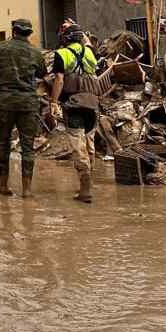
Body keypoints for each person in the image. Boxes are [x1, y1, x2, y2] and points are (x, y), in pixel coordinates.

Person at [0, 19, 46, 198]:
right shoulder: (36, 52)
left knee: (3, 142)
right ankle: (27, 190)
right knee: (28, 146)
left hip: (5, 103)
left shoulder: (1, 48)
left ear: (14, 31)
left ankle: (3, 184)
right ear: (29, 33)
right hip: (28, 104)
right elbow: (42, 73)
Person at [49, 24, 100, 203]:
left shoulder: (62, 54)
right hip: (93, 103)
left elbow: (59, 79)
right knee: (90, 141)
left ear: (65, 39)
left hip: (74, 104)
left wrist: (54, 102)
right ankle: (88, 184)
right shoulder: (90, 52)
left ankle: (85, 189)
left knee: (78, 144)